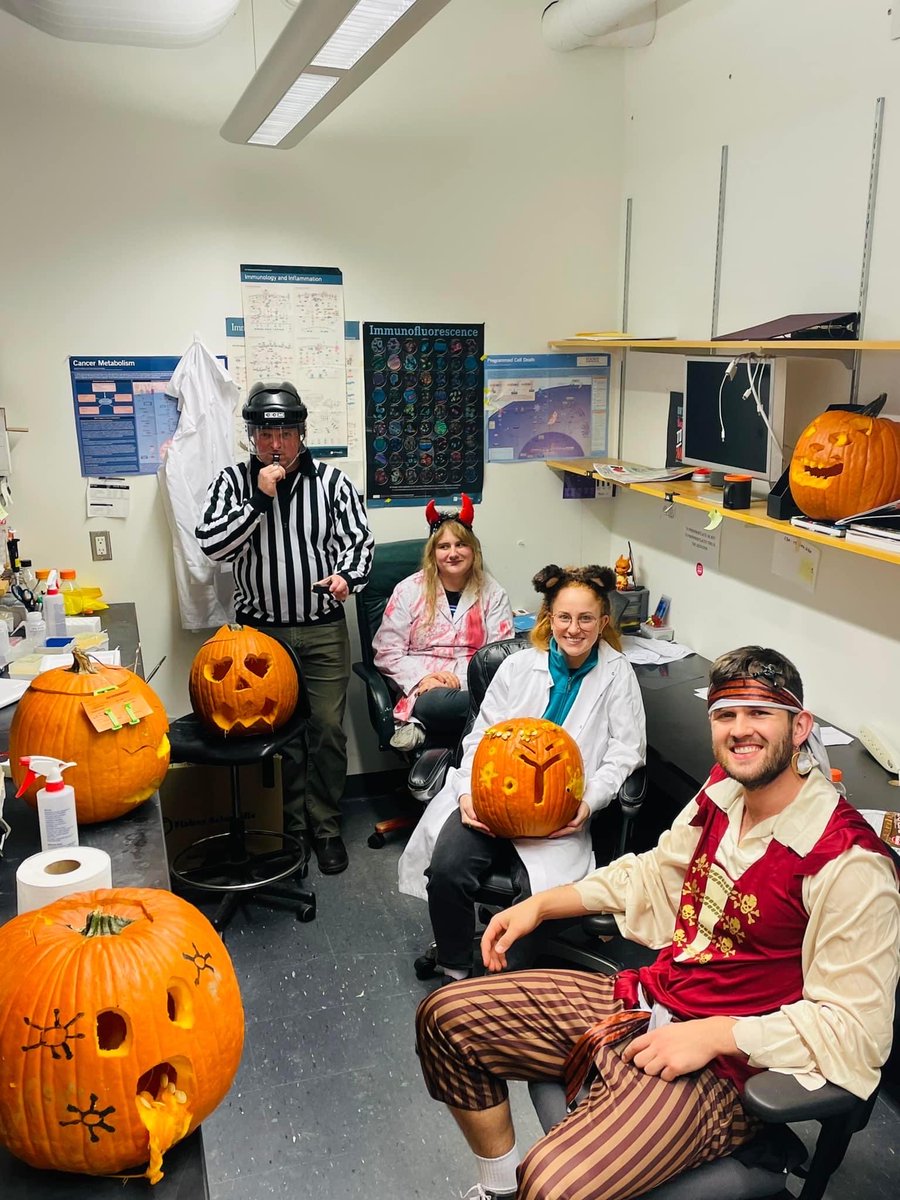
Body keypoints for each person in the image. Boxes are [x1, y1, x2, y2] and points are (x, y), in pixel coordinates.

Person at [414, 646, 900, 1200]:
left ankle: (753, 1150)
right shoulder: (723, 794)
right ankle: (498, 1189)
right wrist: (542, 904)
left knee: (551, 1184)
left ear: (800, 725)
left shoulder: (847, 863)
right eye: (725, 713)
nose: (740, 729)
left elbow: (855, 1031)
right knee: (446, 1020)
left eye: (760, 712)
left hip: (726, 1067)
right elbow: (653, 876)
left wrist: (718, 1034)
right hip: (652, 998)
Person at [399, 564, 646, 982]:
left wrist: (588, 804)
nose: (574, 628)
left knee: (537, 896)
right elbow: (479, 737)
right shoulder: (516, 668)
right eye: (564, 617)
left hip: (558, 811)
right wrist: (464, 794)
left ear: (603, 622)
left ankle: (509, 983)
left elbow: (626, 753)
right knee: (447, 870)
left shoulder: (617, 674)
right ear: (549, 618)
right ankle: (455, 968)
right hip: (490, 801)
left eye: (586, 618)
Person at [196, 381, 374, 876]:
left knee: (327, 732)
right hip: (260, 638)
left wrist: (347, 576)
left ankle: (326, 826)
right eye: (266, 432)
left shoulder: (333, 483)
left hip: (321, 629)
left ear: (301, 433)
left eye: (286, 432)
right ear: (252, 436)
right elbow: (213, 545)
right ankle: (287, 828)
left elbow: (359, 542)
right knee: (280, 737)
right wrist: (258, 499)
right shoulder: (233, 482)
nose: (276, 443)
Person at [372, 494, 514, 753]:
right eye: (444, 546)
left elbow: (497, 657)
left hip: (473, 683)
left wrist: (457, 681)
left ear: (473, 550)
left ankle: (432, 743)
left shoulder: (493, 593)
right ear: (433, 553)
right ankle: (471, 739)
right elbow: (387, 652)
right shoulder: (408, 591)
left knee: (498, 697)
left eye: (461, 544)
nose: (453, 553)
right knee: (436, 704)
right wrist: (426, 678)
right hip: (425, 688)